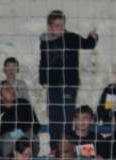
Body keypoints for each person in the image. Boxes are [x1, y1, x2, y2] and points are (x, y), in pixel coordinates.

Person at [39, 10, 98, 146]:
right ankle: (54, 148)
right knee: (54, 116)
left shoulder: (71, 37)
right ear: (49, 27)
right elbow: (43, 61)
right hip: (53, 85)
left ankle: (66, 148)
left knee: (66, 117)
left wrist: (93, 36)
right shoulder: (45, 41)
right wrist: (43, 80)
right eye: (56, 25)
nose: (60, 28)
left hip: (69, 84)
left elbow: (88, 44)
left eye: (62, 25)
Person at [0, 81, 40, 159]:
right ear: (0, 96)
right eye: (7, 89)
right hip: (10, 144)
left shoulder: (23, 103)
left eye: (12, 88)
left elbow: (32, 126)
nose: (12, 90)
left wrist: (12, 134)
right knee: (2, 140)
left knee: (7, 137)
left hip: (29, 137)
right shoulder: (0, 113)